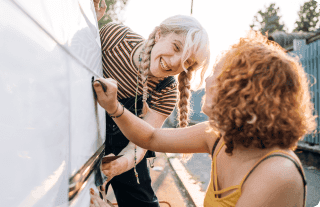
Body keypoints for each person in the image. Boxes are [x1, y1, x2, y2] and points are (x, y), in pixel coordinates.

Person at [91, 30, 317, 207]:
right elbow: (150, 137)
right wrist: (114, 107)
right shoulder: (217, 135)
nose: (207, 81)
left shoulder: (276, 174)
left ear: (243, 91)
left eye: (217, 74)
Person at [93, 0, 210, 207]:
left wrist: (116, 167)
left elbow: (141, 143)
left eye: (186, 62)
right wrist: (90, 21)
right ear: (159, 35)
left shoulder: (166, 90)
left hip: (127, 144)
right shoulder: (114, 38)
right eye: (176, 47)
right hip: (87, 130)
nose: (175, 63)